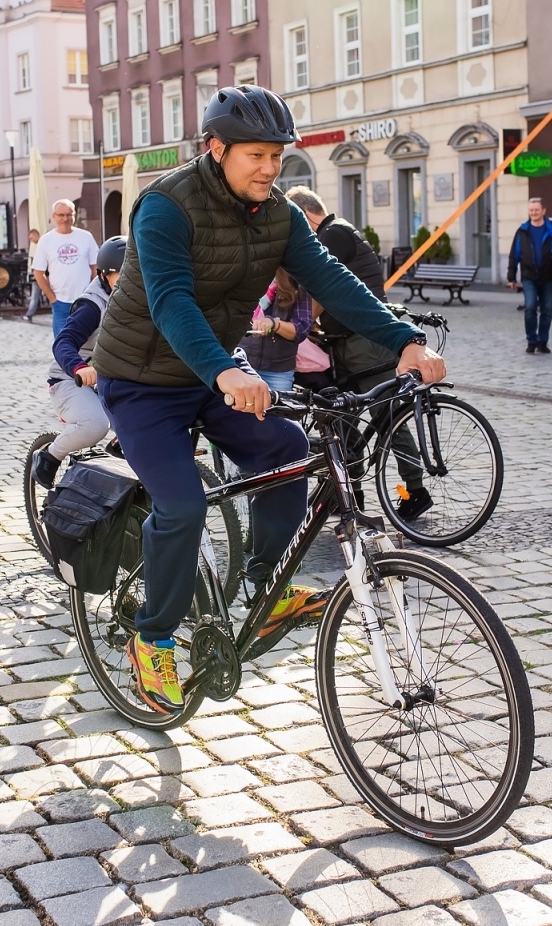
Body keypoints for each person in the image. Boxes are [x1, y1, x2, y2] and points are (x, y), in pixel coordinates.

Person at [89, 85, 446, 715]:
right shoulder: (165, 206)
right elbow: (171, 300)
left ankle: (261, 582)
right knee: (182, 503)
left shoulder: (277, 213)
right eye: (256, 155)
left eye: (276, 156)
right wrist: (225, 373)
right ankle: (152, 636)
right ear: (216, 149)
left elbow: (332, 280)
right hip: (141, 379)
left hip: (213, 372)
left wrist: (404, 340)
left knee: (286, 453)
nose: (269, 168)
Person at [286, 185, 430, 520]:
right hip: (350, 342)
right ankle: (351, 494)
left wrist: (301, 325)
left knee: (388, 417)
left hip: (365, 344)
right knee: (346, 419)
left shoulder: (333, 234)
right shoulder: (343, 230)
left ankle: (415, 491)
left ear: (306, 216)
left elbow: (320, 287)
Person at [31, 236, 129, 489]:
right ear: (104, 275)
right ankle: (49, 457)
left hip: (112, 378)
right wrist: (80, 367)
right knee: (95, 425)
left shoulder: (136, 298)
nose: (130, 280)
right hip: (70, 379)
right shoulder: (92, 305)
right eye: (123, 274)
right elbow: (63, 343)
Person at [506, 197, 552, 354]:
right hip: (529, 276)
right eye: (531, 210)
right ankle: (531, 340)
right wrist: (511, 277)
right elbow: (514, 255)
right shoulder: (522, 231)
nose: (534, 213)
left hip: (548, 276)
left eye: (536, 210)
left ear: (543, 211)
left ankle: (542, 341)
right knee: (530, 307)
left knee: (547, 310)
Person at [32, 200, 99, 338]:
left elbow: (95, 267)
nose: (65, 218)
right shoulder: (46, 240)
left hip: (84, 300)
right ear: (54, 216)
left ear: (74, 215)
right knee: (63, 343)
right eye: (61, 215)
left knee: (88, 341)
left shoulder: (86, 237)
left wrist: (93, 292)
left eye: (69, 214)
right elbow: (38, 272)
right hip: (60, 302)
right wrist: (52, 298)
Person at [239, 269, 312, 394]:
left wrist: (275, 324)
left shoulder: (296, 280)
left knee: (277, 412)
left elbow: (301, 329)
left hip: (278, 372)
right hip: (240, 366)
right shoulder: (242, 275)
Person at [22, 226, 44, 322]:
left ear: (36, 235)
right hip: (40, 274)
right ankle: (29, 314)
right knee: (35, 295)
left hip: (40, 274)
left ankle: (29, 314)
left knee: (34, 296)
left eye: (31, 238)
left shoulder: (42, 246)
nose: (31, 240)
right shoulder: (38, 246)